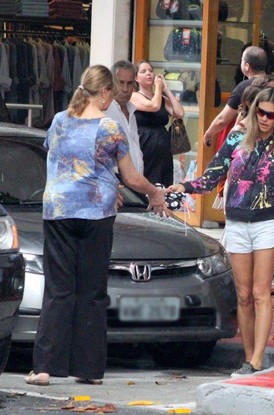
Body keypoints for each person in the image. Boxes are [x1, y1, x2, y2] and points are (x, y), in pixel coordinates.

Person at [24, 65, 167, 387]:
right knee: (92, 293)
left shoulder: (59, 122)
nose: (114, 97)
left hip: (59, 212)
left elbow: (59, 159)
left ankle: (45, 367)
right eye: (112, 91)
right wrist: (155, 192)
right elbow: (130, 177)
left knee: (59, 291)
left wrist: (103, 181)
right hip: (96, 215)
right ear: (103, 93)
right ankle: (88, 369)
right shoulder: (109, 128)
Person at [169, 87, 274, 376]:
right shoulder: (235, 139)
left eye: (272, 115)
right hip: (237, 221)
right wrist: (185, 187)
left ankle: (256, 359)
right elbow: (212, 175)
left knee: (260, 292)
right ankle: (249, 358)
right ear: (253, 111)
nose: (265, 119)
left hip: (268, 222)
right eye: (261, 112)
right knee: (243, 295)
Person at [131, 60, 185, 186]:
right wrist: (159, 89)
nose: (148, 74)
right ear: (136, 78)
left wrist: (166, 90)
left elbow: (179, 112)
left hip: (163, 148)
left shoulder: (161, 97)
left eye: (150, 71)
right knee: (147, 180)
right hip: (145, 144)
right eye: (143, 71)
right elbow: (153, 106)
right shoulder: (134, 96)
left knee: (163, 182)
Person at [202, 46, 268, 148]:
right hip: (273, 140)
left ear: (246, 66)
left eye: (242, 60)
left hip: (250, 142)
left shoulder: (244, 87)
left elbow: (222, 119)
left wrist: (208, 134)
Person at [105, 60, 143, 174]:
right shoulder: (105, 110)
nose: (125, 89)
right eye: (121, 83)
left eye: (129, 83)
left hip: (135, 182)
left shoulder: (132, 111)